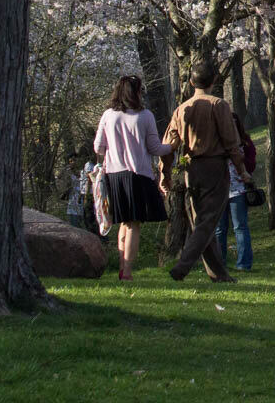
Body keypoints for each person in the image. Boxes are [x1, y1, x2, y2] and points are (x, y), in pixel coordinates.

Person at [159, 63, 252, 282]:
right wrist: (242, 171)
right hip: (215, 167)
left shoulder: (181, 109)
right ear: (214, 80)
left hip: (191, 169)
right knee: (207, 222)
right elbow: (231, 142)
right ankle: (182, 266)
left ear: (191, 82)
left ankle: (218, 274)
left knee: (202, 221)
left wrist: (165, 174)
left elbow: (168, 145)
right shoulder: (219, 105)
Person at [92, 74, 172, 281]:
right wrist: (174, 145)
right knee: (133, 224)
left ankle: (121, 267)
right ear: (136, 92)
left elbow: (98, 147)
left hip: (114, 175)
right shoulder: (145, 116)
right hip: (138, 175)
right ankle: (127, 272)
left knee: (123, 223)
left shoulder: (108, 115)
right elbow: (155, 148)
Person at [214, 111, 255, 271]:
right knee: (219, 229)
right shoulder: (216, 143)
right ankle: (219, 264)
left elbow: (251, 165)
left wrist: (239, 157)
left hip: (238, 190)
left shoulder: (245, 142)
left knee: (240, 227)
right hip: (219, 190)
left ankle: (244, 264)